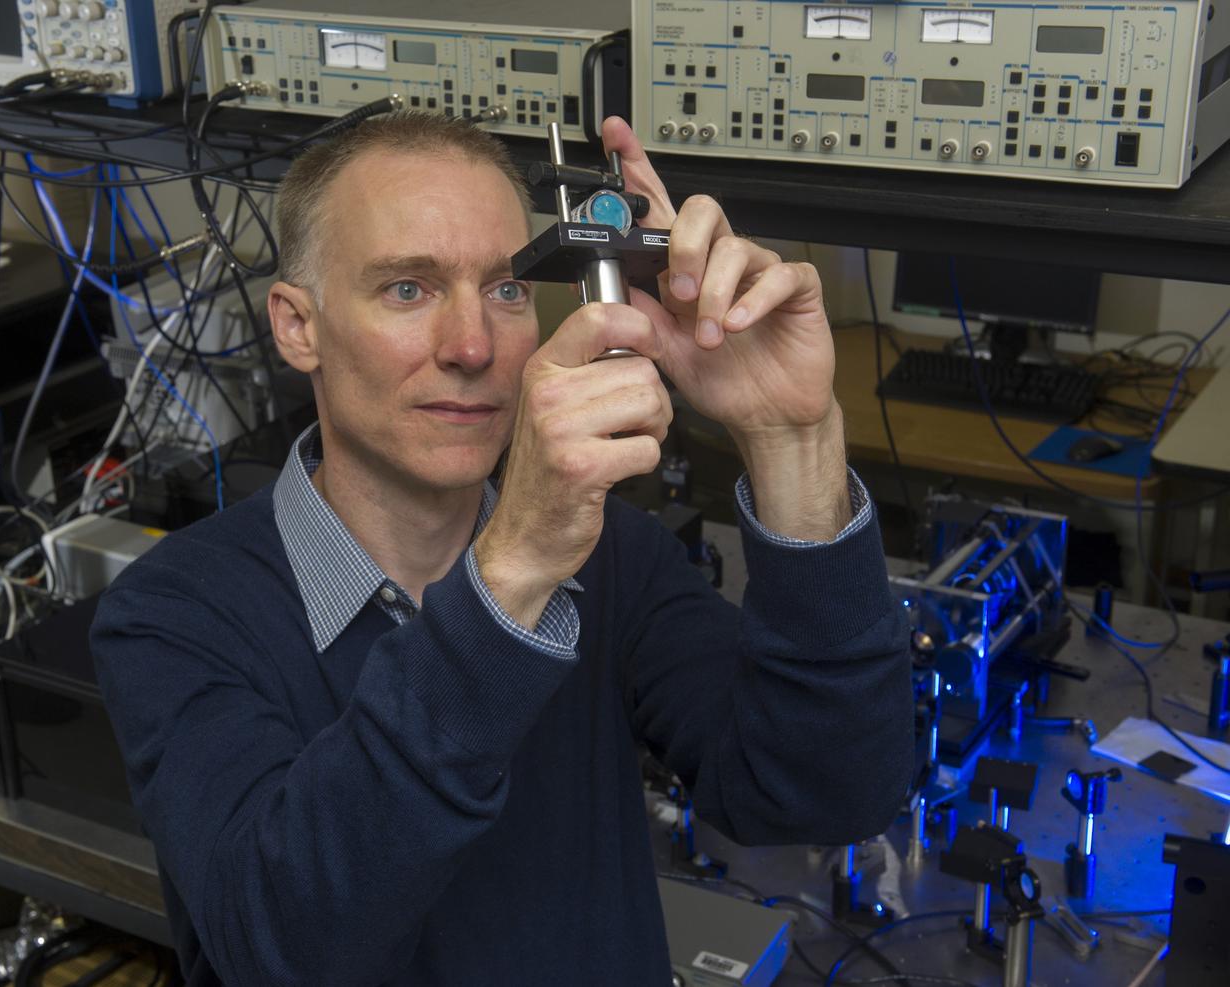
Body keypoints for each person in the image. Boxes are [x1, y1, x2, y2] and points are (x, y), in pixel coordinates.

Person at [91, 110, 912, 986]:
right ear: (299, 327)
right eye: (408, 288)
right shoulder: (172, 616)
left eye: (506, 289)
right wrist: (510, 572)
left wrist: (793, 437)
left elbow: (828, 788)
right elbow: (288, 945)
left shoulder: (610, 556)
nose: (474, 345)